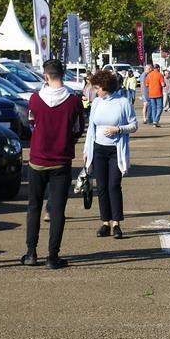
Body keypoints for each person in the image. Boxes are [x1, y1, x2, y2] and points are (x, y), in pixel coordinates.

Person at [25, 59, 85, 269]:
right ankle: (52, 256)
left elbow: (31, 124)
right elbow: (79, 128)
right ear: (63, 74)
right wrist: (69, 139)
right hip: (61, 160)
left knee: (34, 207)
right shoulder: (73, 101)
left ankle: (31, 252)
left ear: (46, 76)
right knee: (57, 210)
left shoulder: (34, 99)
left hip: (37, 160)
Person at [83, 70, 138, 239]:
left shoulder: (123, 102)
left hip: (116, 150)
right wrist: (87, 150)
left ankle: (116, 223)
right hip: (98, 149)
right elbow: (91, 128)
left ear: (106, 87)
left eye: (98, 88)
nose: (96, 91)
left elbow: (134, 125)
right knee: (101, 186)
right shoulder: (97, 102)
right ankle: (105, 222)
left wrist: (118, 129)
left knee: (113, 185)